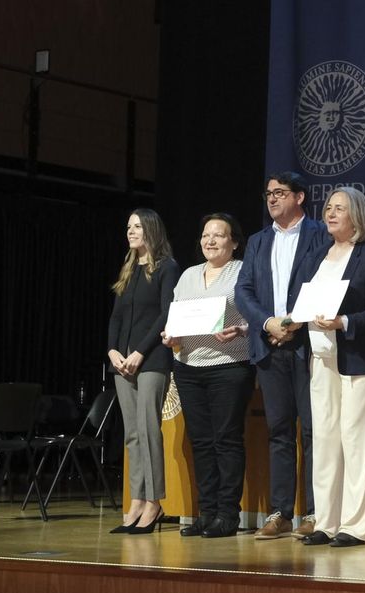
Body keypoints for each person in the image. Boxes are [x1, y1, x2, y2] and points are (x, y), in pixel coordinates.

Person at [293, 186, 365, 547]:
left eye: (340, 208)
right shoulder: (317, 256)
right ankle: (326, 521)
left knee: (356, 441)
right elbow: (302, 302)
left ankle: (354, 525)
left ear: (358, 216)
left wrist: (344, 322)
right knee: (324, 441)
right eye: (329, 207)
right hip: (320, 359)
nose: (330, 213)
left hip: (358, 360)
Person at [235, 171, 329, 540]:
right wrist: (269, 323)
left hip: (307, 345)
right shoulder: (258, 242)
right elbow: (244, 291)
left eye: (280, 193)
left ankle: (315, 511)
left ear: (300, 197)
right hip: (269, 346)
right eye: (269, 194)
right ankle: (280, 512)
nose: (272, 199)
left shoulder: (320, 235)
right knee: (278, 431)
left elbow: (327, 284)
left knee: (313, 430)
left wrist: (294, 324)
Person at [164, 213, 256, 539]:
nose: (211, 240)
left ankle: (228, 514)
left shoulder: (243, 271)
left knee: (226, 440)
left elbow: (256, 317)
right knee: (201, 443)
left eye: (219, 235)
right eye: (206, 235)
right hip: (188, 367)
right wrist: (170, 337)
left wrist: (241, 329)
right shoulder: (188, 275)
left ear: (234, 242)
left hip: (230, 366)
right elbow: (175, 319)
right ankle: (207, 513)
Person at [105, 208, 181, 534]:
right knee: (132, 433)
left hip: (151, 360)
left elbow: (167, 313)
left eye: (136, 226)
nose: (130, 231)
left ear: (151, 229)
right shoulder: (128, 269)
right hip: (123, 362)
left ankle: (154, 502)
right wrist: (112, 350)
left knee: (150, 429)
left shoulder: (167, 268)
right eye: (128, 226)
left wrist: (140, 352)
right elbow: (117, 317)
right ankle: (136, 498)